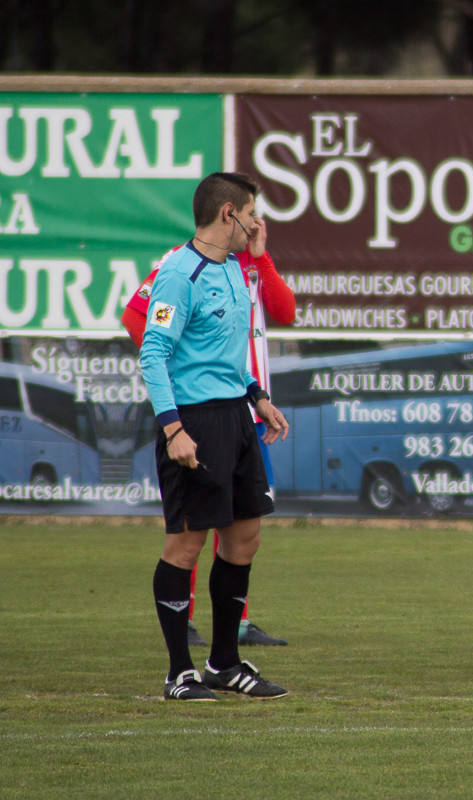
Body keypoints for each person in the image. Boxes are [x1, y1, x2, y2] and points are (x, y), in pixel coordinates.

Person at [142, 171, 290, 701]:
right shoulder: (178, 273)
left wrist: (258, 396)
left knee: (245, 538)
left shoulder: (233, 270)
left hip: (237, 418)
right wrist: (173, 428)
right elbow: (153, 353)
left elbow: (226, 353)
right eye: (251, 212)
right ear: (229, 213)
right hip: (195, 423)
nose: (256, 223)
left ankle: (223, 664)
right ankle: (179, 673)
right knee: (186, 543)